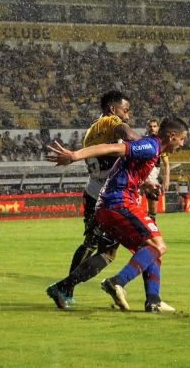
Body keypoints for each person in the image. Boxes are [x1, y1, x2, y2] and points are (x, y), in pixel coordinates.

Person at [47, 116, 188, 312]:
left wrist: (146, 183)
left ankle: (153, 300)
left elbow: (122, 166)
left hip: (109, 205)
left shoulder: (152, 150)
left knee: (147, 250)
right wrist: (74, 156)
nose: (182, 144)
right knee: (158, 245)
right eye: (182, 139)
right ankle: (116, 282)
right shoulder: (150, 146)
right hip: (118, 203)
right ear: (172, 136)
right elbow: (112, 148)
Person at [47, 90, 141, 304]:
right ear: (112, 109)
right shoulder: (110, 121)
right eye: (125, 111)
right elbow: (129, 135)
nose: (127, 116)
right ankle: (64, 287)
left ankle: (66, 290)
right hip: (110, 196)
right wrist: (148, 147)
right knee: (108, 252)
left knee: (90, 243)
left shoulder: (93, 129)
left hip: (93, 192)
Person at [143, 118, 170, 221]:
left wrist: (167, 178)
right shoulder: (141, 140)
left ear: (158, 128)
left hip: (153, 175)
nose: (152, 128)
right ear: (146, 127)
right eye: (150, 126)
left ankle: (151, 226)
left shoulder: (160, 143)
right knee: (135, 204)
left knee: (152, 208)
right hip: (139, 175)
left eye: (154, 126)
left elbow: (166, 164)